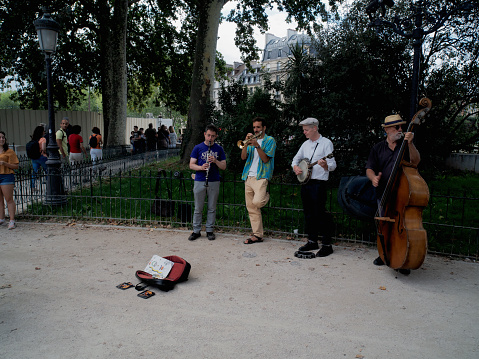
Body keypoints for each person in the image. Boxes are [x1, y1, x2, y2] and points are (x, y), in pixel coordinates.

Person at [366, 114, 420, 271]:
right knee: (383, 225)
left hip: (402, 194)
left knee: (403, 227)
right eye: (397, 127)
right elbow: (369, 168)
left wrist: (410, 144)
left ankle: (402, 257)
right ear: (387, 130)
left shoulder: (405, 145)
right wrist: (373, 178)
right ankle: (384, 254)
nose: (400, 130)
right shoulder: (378, 148)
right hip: (383, 192)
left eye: (401, 127)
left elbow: (415, 161)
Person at [292, 117, 337, 257]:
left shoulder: (326, 143)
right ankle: (312, 241)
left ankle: (327, 244)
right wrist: (295, 168)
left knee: (320, 213)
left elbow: (333, 165)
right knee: (308, 213)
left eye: (306, 130)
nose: (304, 132)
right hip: (306, 183)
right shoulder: (305, 144)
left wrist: (325, 165)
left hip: (319, 183)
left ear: (314, 128)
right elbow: (295, 159)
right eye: (303, 130)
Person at [241, 117, 276, 244]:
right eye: (254, 127)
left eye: (258, 127)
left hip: (261, 176)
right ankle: (258, 235)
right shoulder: (251, 141)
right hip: (248, 176)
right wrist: (245, 144)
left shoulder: (269, 140)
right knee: (251, 207)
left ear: (264, 128)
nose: (256, 130)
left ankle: (265, 196)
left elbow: (266, 159)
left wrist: (257, 146)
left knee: (258, 202)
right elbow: (243, 157)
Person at [188, 124, 227, 241]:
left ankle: (210, 230)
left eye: (213, 136)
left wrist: (215, 161)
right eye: (208, 135)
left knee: (212, 207)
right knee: (198, 207)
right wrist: (201, 167)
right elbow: (191, 165)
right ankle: (196, 231)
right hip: (200, 179)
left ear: (216, 137)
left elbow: (224, 166)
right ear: (205, 134)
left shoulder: (219, 149)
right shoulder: (198, 148)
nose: (210, 138)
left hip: (214, 179)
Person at [0, 131, 19, 230]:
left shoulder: (9, 151)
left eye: (3, 137)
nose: (2, 139)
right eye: (0, 137)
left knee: (8, 199)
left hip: (6, 176)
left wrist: (5, 164)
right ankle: (1, 218)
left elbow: (16, 166)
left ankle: (12, 220)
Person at [29, 126, 48, 190]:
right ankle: (49, 184)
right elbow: (43, 148)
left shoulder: (33, 139)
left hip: (34, 158)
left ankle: (32, 186)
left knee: (34, 172)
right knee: (47, 171)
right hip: (42, 156)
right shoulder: (43, 139)